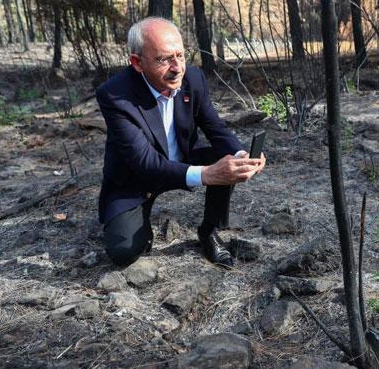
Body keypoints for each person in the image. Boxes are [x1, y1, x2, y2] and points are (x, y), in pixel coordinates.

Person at [96, 17, 265, 268]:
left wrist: (241, 155)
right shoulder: (115, 95)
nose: (177, 68)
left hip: (180, 161)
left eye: (180, 56)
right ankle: (141, 226)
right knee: (124, 253)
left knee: (226, 161)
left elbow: (215, 128)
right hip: (134, 178)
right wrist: (207, 174)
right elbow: (145, 162)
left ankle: (208, 232)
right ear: (137, 62)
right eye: (164, 59)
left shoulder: (193, 79)